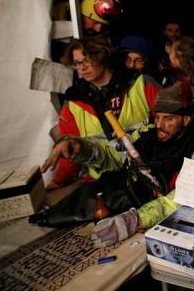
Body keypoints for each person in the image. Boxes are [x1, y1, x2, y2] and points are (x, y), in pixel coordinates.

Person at [41, 82, 194, 230]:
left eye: (168, 119)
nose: (159, 125)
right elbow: (115, 158)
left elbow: (188, 195)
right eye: (157, 117)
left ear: (186, 119)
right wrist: (81, 148)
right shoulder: (146, 134)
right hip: (131, 207)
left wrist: (138, 219)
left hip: (167, 220)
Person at [51, 38, 161, 188]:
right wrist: (58, 182)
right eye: (77, 63)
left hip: (148, 170)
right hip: (104, 180)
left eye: (86, 61)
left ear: (101, 57)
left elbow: (171, 123)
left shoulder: (140, 83)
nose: (82, 68)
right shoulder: (74, 100)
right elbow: (69, 147)